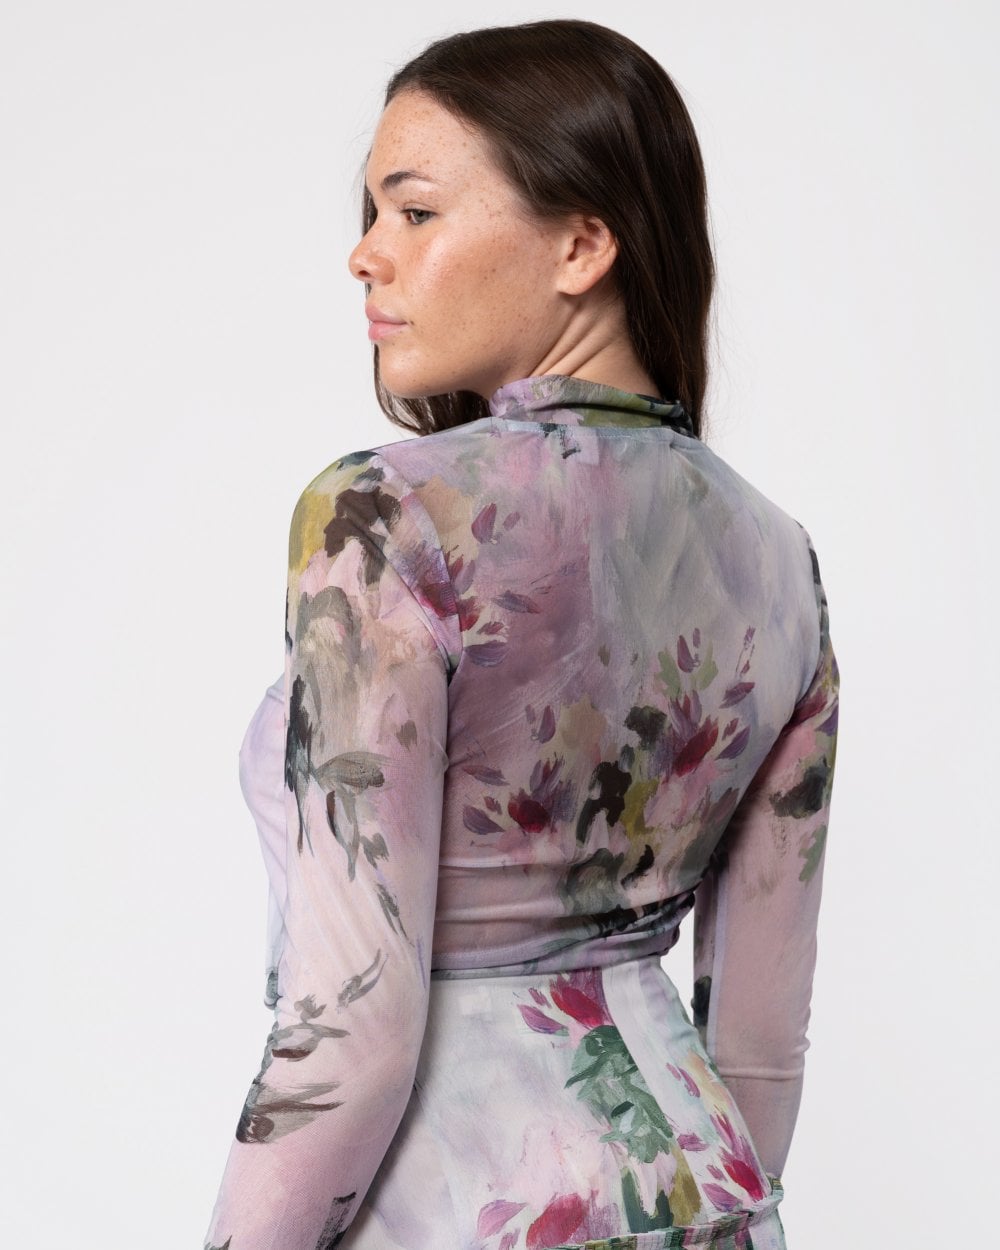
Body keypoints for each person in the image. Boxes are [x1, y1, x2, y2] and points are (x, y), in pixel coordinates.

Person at [203, 19, 838, 1250]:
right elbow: (762, 1036)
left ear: (582, 245)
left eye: (415, 211)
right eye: (372, 213)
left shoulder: (385, 518)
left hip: (459, 1206)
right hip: (713, 1197)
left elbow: (352, 1029)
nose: (365, 252)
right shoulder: (779, 558)